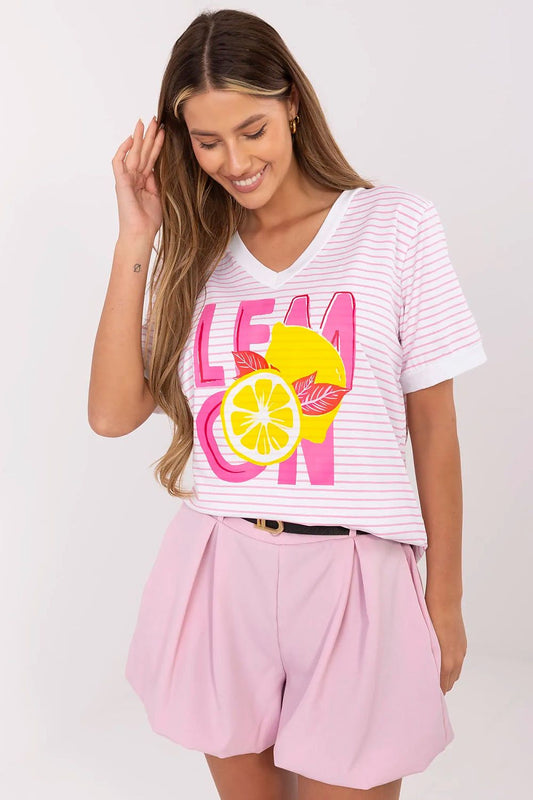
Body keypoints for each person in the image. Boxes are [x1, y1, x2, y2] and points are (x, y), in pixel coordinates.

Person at [88, 8, 488, 799]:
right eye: (208, 142)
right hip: (221, 566)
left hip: (357, 576)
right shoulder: (197, 253)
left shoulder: (393, 224)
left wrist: (443, 598)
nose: (235, 161)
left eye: (253, 130)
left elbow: (433, 428)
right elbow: (111, 413)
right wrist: (137, 235)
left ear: (292, 105)